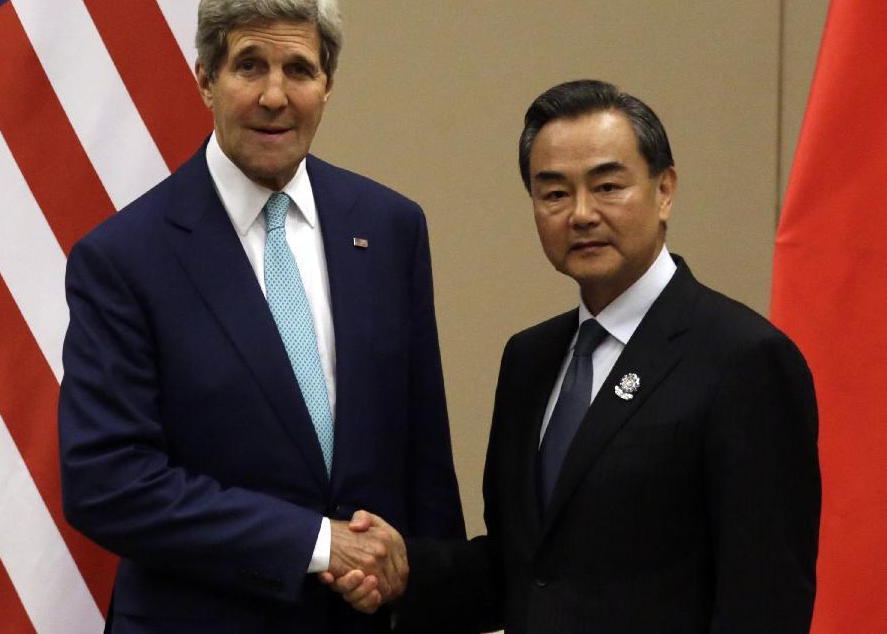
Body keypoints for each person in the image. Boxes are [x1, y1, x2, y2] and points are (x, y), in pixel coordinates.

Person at [58, 0, 464, 633]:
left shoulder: (389, 227)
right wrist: (316, 543)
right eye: (250, 66)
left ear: (328, 85)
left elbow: (424, 459)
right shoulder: (124, 258)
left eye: (299, 69)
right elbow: (109, 481)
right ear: (205, 79)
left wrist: (427, 589)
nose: (275, 96)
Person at [334, 79, 821, 632]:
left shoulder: (745, 359)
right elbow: (526, 569)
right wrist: (403, 569)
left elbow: (765, 599)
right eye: (555, 194)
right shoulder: (530, 358)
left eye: (608, 186)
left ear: (665, 190)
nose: (582, 214)